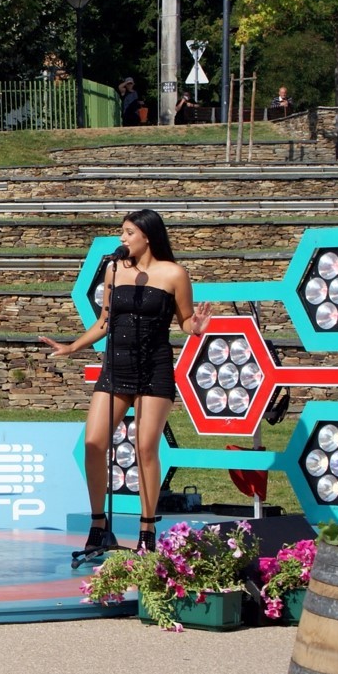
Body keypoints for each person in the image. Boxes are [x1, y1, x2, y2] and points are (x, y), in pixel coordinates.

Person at [39, 209, 212, 553]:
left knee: (145, 447)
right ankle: (98, 524)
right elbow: (105, 321)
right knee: (93, 443)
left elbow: (184, 320)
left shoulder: (174, 273)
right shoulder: (114, 269)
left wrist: (195, 327)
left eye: (129, 232)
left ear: (147, 235)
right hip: (116, 369)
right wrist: (72, 346)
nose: (122, 238)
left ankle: (147, 530)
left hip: (154, 369)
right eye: (122, 232)